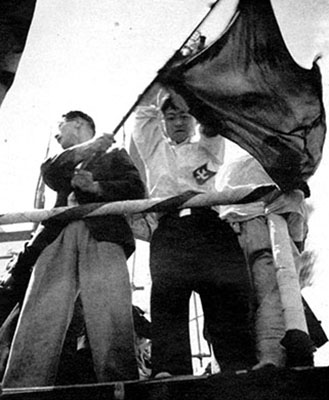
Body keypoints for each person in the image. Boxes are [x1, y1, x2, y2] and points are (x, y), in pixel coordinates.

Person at [2, 110, 145, 388]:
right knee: (40, 310)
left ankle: (119, 385)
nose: (57, 136)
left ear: (78, 123)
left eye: (60, 129)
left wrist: (96, 186)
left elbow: (136, 189)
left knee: (110, 312)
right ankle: (22, 387)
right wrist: (89, 148)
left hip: (102, 232)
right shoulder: (64, 160)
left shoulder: (115, 155)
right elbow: (50, 171)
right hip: (59, 235)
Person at [130, 84, 256, 377]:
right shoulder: (154, 148)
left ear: (193, 119)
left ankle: (237, 367)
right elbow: (143, 110)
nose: (178, 122)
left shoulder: (208, 147)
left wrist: (190, 84)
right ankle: (171, 371)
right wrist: (167, 78)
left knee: (224, 299)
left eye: (185, 116)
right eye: (171, 117)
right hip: (170, 230)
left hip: (209, 226)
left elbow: (212, 120)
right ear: (163, 122)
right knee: (167, 298)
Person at [217, 153, 315, 369]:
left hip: (228, 231)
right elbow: (296, 219)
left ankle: (234, 363)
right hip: (265, 229)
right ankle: (270, 357)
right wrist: (296, 246)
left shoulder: (229, 166)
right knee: (271, 297)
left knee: (232, 301)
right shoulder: (281, 163)